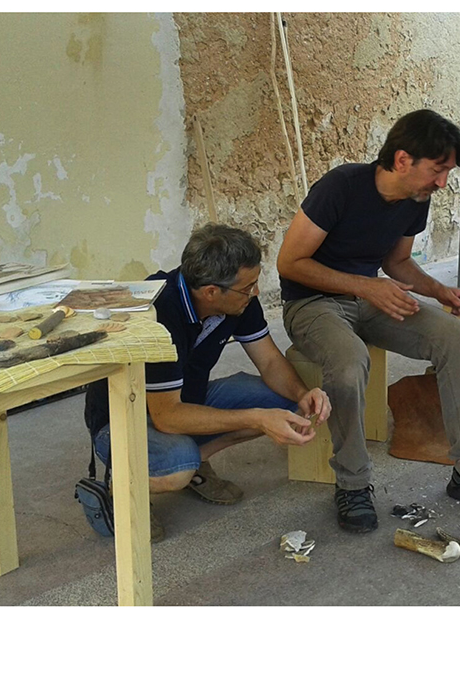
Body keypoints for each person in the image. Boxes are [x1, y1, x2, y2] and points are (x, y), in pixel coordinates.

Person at [277, 109, 460, 533]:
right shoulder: (341, 186)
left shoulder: (416, 199)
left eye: (447, 172)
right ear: (402, 160)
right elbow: (289, 263)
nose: (442, 182)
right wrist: (366, 286)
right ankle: (353, 483)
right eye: (437, 169)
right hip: (312, 303)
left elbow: (397, 262)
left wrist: (440, 291)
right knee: (349, 361)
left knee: (453, 336)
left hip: (371, 297)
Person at [83, 224, 331, 541]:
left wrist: (303, 393)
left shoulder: (237, 298)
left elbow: (269, 360)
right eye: (249, 287)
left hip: (185, 401)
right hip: (123, 421)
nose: (255, 293)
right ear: (211, 292)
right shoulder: (159, 312)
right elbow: (166, 416)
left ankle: (195, 463)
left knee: (282, 402)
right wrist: (258, 419)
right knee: (179, 466)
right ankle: (122, 487)